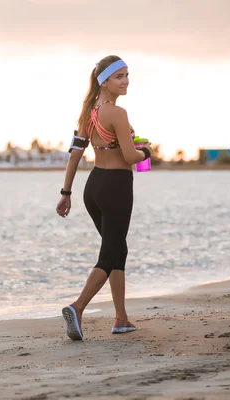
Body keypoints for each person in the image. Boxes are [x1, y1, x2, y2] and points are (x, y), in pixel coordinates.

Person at [56, 55, 151, 340]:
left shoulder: (88, 114)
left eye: (127, 75)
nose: (125, 81)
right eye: (119, 76)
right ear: (105, 81)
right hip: (116, 187)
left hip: (92, 188)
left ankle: (121, 318)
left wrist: (66, 193)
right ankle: (77, 306)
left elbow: (75, 155)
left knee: (116, 249)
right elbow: (130, 155)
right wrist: (146, 151)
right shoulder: (117, 114)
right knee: (110, 253)